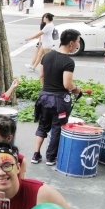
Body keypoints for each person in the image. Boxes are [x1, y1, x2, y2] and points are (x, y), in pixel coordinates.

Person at [31, 29, 82, 166]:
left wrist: (46, 89)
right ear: (71, 43)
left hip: (44, 97)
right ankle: (51, 157)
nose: (78, 44)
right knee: (57, 127)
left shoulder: (46, 56)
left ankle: (36, 154)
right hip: (59, 101)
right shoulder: (68, 62)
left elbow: (41, 76)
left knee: (42, 126)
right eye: (77, 41)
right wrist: (77, 90)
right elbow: (67, 84)